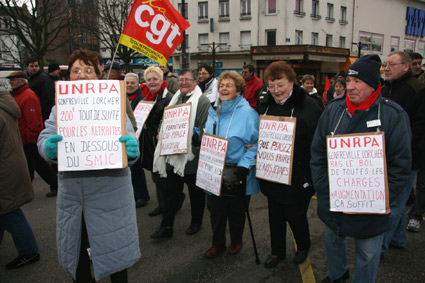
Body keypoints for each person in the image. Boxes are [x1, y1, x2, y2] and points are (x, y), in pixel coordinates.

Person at [37, 49, 140, 283]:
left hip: (110, 195)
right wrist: (47, 148)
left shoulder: (113, 102)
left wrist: (131, 150)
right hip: (75, 197)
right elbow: (45, 137)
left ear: (97, 74)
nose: (82, 75)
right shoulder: (59, 107)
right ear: (68, 76)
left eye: (88, 70)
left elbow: (130, 136)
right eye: (76, 70)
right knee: (79, 256)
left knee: (115, 256)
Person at [311, 54, 412, 283]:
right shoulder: (333, 110)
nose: (351, 87)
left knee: (367, 253)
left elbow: (401, 165)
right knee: (332, 240)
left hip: (371, 208)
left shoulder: (393, 116)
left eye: (358, 82)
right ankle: (338, 274)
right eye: (348, 81)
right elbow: (317, 152)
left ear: (374, 84)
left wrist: (381, 197)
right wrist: (324, 187)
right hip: (334, 202)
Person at [256, 62, 322, 268]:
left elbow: (317, 144)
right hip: (272, 172)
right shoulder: (265, 103)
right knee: (274, 215)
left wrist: (311, 177)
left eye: (280, 85)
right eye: (272, 85)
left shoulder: (309, 106)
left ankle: (303, 246)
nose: (276, 91)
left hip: (298, 174)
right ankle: (277, 252)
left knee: (295, 215)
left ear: (292, 82)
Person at [202, 71, 259, 258]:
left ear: (239, 90)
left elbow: (257, 143)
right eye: (221, 85)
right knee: (215, 212)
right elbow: (208, 135)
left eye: (228, 85)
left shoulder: (248, 113)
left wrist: (244, 164)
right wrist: (197, 135)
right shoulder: (213, 110)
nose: (224, 88)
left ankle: (236, 241)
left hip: (237, 171)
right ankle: (217, 243)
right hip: (213, 169)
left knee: (236, 212)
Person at [151, 69, 210, 238]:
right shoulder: (174, 99)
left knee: (195, 193)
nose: (183, 82)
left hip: (191, 156)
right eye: (181, 79)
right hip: (172, 156)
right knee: (170, 194)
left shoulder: (202, 101)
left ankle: (196, 221)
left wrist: (194, 137)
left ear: (195, 82)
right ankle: (166, 227)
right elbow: (165, 121)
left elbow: (204, 127)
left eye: (187, 79)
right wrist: (162, 132)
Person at [381, 51, 425, 255]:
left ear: (406, 67)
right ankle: (397, 239)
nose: (386, 68)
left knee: (395, 202)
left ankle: (380, 247)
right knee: (396, 200)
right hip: (384, 156)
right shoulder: (384, 88)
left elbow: (420, 127)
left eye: (392, 64)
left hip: (407, 158)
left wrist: (409, 155)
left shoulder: (418, 89)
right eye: (385, 64)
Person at [0, 90, 40, 270]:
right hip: (11, 163)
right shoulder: (6, 104)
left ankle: (28, 251)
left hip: (5, 169)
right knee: (6, 211)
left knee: (9, 212)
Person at [135, 67, 179, 217]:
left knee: (160, 175)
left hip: (162, 142)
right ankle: (164, 204)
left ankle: (171, 203)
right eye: (149, 79)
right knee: (156, 174)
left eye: (155, 79)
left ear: (162, 80)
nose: (152, 82)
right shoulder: (146, 97)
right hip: (149, 142)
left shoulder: (169, 98)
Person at [7, 71, 58, 198]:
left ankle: (54, 184)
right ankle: (25, 188)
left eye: (14, 80)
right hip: (24, 138)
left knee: (39, 164)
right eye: (10, 80)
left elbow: (33, 119)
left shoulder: (27, 96)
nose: (11, 82)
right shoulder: (19, 95)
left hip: (29, 139)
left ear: (22, 81)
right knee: (28, 164)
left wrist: (31, 138)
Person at [125, 73, 150, 208]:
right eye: (127, 82)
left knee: (136, 168)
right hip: (123, 136)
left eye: (132, 83)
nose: (129, 85)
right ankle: (133, 195)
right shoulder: (119, 97)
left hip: (137, 137)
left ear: (137, 84)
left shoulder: (142, 99)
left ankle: (142, 195)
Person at [26, 58, 55, 122]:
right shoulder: (32, 79)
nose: (34, 68)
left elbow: (48, 98)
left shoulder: (43, 79)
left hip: (42, 114)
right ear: (27, 67)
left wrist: (38, 110)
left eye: (36, 66)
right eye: (31, 66)